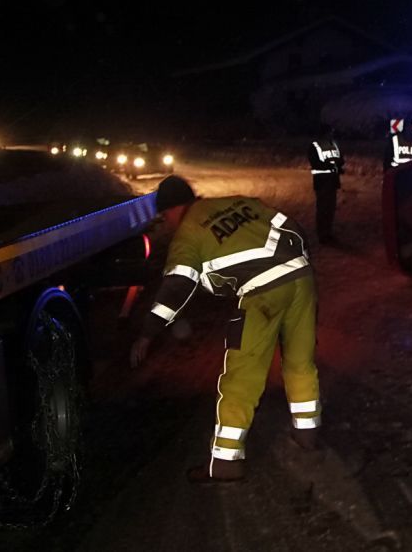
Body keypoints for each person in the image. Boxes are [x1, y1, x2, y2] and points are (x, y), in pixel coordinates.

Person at [130, 175, 321, 484]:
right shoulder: (236, 202)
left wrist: (148, 332)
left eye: (164, 216)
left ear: (173, 209)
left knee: (241, 377)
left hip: (262, 293)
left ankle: (225, 463)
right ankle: (307, 435)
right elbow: (288, 224)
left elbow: (177, 286)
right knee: (300, 361)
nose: (167, 223)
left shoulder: (188, 234)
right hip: (301, 277)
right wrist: (300, 261)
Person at [308, 126, 344, 244]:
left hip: (333, 180)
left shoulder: (334, 144)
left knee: (330, 208)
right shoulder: (315, 146)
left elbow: (341, 159)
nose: (332, 134)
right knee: (323, 208)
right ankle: (322, 235)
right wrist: (332, 165)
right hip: (322, 181)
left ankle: (328, 233)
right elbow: (315, 163)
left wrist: (337, 166)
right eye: (330, 132)